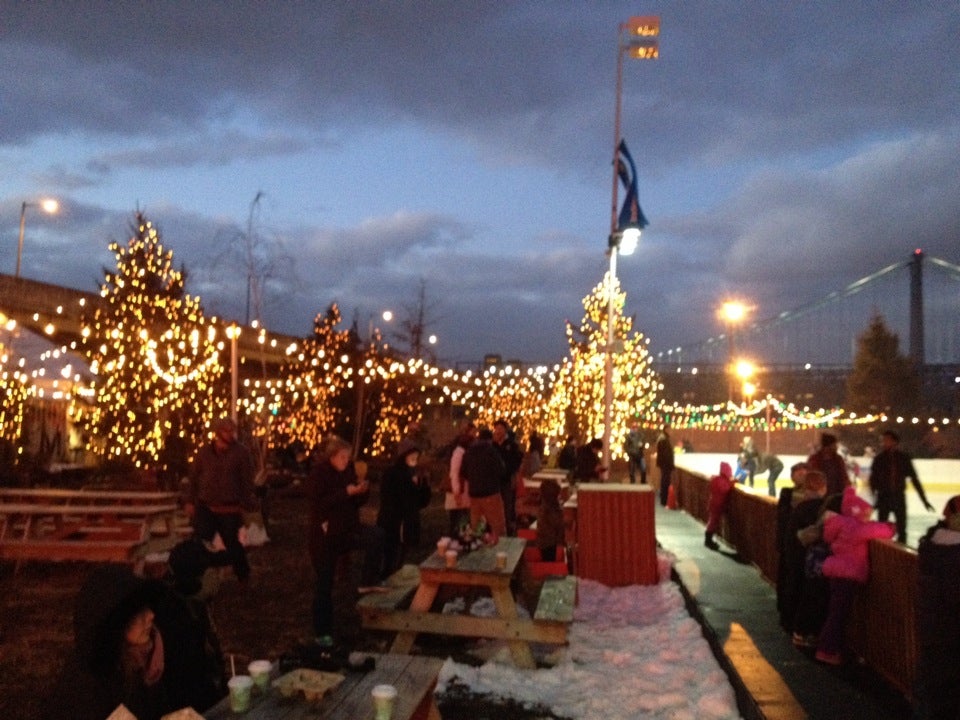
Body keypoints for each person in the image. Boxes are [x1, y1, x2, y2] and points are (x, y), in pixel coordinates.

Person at [44, 564, 225, 720]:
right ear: (117, 627)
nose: (151, 616)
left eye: (147, 608)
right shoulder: (92, 686)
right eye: (138, 615)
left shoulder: (144, 658)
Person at [306, 436, 386, 648]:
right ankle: (322, 631)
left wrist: (362, 491)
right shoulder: (319, 474)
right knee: (324, 583)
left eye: (347, 457)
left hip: (348, 528)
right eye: (342, 457)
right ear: (332, 456)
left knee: (376, 536)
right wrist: (344, 493)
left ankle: (368, 581)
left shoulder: (348, 470)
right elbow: (319, 503)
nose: (345, 460)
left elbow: (356, 501)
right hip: (324, 535)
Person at [814, 487, 894, 665]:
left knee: (837, 612)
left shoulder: (840, 524)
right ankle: (826, 650)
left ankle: (830, 647)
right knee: (838, 614)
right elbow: (877, 530)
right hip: (847, 575)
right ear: (856, 512)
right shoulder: (854, 527)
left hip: (837, 572)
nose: (868, 517)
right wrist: (890, 527)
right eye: (866, 513)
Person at [186, 416, 258, 583]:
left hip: (229, 507)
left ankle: (243, 574)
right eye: (227, 430)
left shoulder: (241, 453)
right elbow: (194, 477)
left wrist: (247, 502)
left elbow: (247, 480)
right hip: (207, 505)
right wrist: (190, 500)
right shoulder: (204, 453)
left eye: (232, 430)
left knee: (232, 543)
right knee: (201, 542)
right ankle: (197, 576)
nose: (230, 434)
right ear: (218, 432)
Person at [913, 495, 960, 720]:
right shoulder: (952, 556)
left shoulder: (931, 547)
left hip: (932, 630)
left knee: (930, 686)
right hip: (950, 634)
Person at [869, 429, 935, 543]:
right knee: (880, 529)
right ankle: (880, 554)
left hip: (898, 497)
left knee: (902, 529)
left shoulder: (903, 458)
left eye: (886, 440)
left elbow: (914, 479)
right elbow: (873, 480)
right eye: (883, 440)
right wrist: (875, 499)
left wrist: (924, 500)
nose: (884, 443)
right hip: (884, 497)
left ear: (895, 442)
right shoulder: (879, 459)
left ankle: (901, 555)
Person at [377, 445, 432, 575]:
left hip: (408, 518)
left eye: (416, 457)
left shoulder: (415, 474)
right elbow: (389, 496)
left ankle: (397, 571)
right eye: (411, 456)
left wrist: (424, 484)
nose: (414, 459)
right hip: (394, 518)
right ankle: (387, 574)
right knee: (391, 550)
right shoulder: (393, 473)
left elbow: (421, 501)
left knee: (403, 549)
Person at [462, 427, 507, 536]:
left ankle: (476, 546)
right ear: (490, 440)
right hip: (490, 493)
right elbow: (501, 470)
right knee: (497, 525)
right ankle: (501, 548)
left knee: (476, 526)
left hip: (474, 494)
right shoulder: (491, 452)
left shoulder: (468, 452)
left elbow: (463, 472)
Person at [492, 419, 523, 535]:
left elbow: (516, 460)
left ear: (505, 430)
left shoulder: (511, 445)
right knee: (495, 505)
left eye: (500, 429)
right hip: (495, 480)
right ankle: (496, 527)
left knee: (507, 504)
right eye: (496, 429)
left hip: (506, 480)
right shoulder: (493, 444)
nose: (498, 431)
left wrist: (509, 471)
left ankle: (508, 527)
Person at [444, 421, 475, 536]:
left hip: (463, 491)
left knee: (461, 518)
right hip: (458, 491)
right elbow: (454, 472)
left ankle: (461, 537)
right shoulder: (459, 453)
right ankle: (455, 538)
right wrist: (456, 491)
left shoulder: (462, 452)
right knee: (457, 518)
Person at [806, 432, 851, 497]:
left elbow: (844, 477)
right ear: (827, 446)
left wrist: (847, 491)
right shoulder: (815, 459)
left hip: (836, 495)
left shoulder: (838, 459)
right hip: (818, 495)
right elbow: (810, 477)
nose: (836, 447)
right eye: (834, 445)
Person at [704, 461, 735, 550]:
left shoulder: (716, 479)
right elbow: (725, 489)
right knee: (713, 522)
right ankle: (708, 540)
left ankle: (709, 539)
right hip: (717, 505)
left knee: (713, 521)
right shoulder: (722, 481)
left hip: (714, 503)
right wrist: (732, 483)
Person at [537, 477, 565, 562]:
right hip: (553, 547)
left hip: (545, 546)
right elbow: (560, 529)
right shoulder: (555, 511)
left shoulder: (544, 510)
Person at [656, 428, 675, 507]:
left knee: (664, 481)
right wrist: (670, 464)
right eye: (669, 430)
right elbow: (666, 454)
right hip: (666, 465)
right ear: (666, 430)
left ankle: (664, 499)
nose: (671, 431)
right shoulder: (664, 439)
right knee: (665, 482)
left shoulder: (663, 438)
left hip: (664, 464)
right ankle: (664, 500)